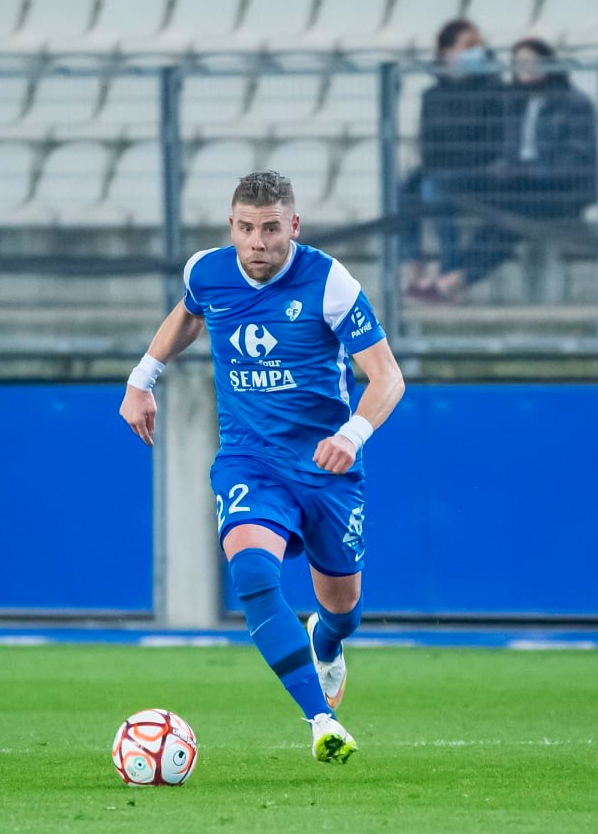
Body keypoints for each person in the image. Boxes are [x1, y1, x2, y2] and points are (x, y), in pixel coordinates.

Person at [120, 171, 406, 764]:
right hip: (250, 460)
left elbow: (388, 377)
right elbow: (190, 314)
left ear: (293, 227)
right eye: (246, 229)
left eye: (270, 229)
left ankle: (325, 644)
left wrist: (352, 435)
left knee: (343, 612)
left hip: (327, 468)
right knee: (252, 575)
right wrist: (141, 379)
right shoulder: (208, 271)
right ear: (232, 227)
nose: (257, 242)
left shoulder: (330, 283)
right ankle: (320, 719)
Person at [423, 38, 598, 302]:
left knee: (508, 218)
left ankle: (455, 281)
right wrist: (504, 169)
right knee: (444, 184)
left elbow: (575, 161)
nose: (523, 68)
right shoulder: (514, 101)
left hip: (558, 190)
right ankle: (451, 272)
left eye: (530, 62)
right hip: (517, 182)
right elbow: (508, 148)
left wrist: (529, 171)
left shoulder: (574, 103)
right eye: (518, 63)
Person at [400, 20, 507, 301]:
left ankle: (449, 270)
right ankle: (414, 266)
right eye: (468, 46)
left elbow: (491, 142)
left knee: (434, 189)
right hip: (441, 168)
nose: (477, 52)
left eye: (478, 46)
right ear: (446, 53)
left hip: (479, 172)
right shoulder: (432, 95)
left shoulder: (495, 91)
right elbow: (430, 142)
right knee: (405, 188)